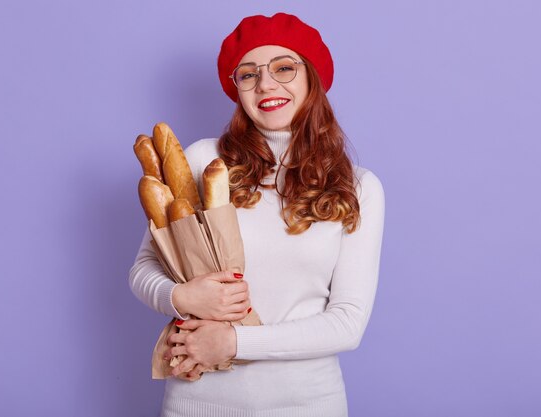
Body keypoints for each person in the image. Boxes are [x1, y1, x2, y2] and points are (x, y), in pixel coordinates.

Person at [129, 12, 385, 417]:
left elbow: (347, 323)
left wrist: (233, 342)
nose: (266, 83)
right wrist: (178, 296)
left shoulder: (357, 186)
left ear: (312, 79)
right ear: (238, 90)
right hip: (196, 403)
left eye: (284, 68)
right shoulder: (202, 161)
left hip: (307, 405)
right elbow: (143, 268)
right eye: (248, 74)